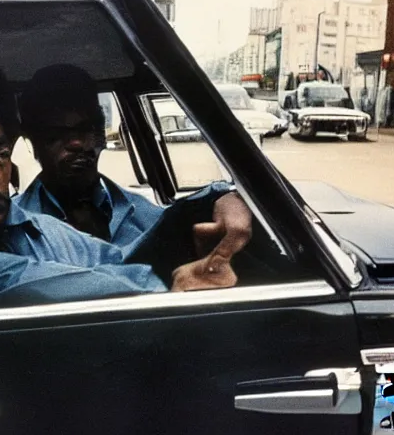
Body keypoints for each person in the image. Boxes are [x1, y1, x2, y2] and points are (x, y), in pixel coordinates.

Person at [0, 56, 237, 318]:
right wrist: (174, 285)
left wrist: (221, 198)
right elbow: (125, 286)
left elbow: (121, 261)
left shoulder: (35, 230)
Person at [14, 64, 252, 285]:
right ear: (32, 141)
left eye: (88, 128)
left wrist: (225, 197)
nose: (77, 143)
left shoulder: (144, 214)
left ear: (102, 134)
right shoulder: (15, 230)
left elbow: (181, 218)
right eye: (56, 133)